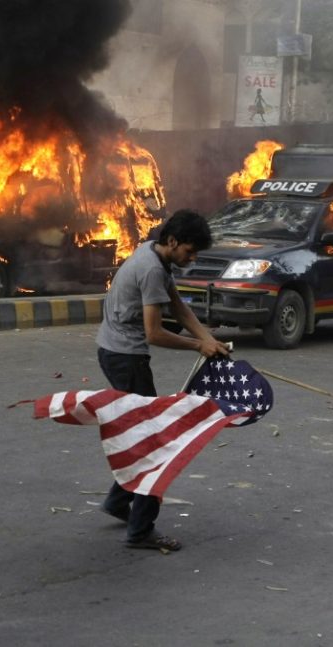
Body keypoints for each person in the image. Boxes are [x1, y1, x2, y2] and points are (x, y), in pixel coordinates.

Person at [96, 209, 230, 552]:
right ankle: (140, 530)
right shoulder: (151, 269)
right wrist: (198, 345)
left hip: (116, 352)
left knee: (144, 434)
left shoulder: (152, 253)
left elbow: (179, 308)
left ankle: (117, 501)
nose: (193, 257)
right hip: (126, 358)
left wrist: (207, 339)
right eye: (190, 250)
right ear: (172, 241)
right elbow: (155, 333)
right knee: (155, 442)